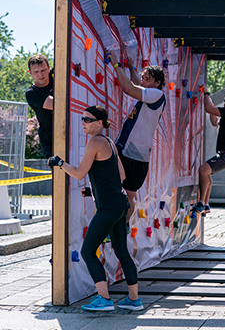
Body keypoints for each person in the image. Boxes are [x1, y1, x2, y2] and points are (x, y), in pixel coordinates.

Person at [47, 106, 142, 312]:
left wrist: (60, 162)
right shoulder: (108, 142)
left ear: (100, 122)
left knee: (88, 250)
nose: (83, 123)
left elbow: (80, 173)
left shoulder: (95, 142)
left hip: (108, 207)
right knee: (121, 252)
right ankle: (134, 299)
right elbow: (121, 175)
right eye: (82, 119)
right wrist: (94, 192)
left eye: (88, 120)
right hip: (119, 204)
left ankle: (104, 298)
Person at [108, 51, 166, 224]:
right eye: (144, 77)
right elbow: (135, 82)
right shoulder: (148, 90)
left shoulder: (157, 94)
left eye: (148, 79)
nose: (143, 80)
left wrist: (116, 65)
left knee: (129, 196)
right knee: (118, 191)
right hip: (125, 147)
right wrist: (133, 67)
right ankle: (117, 225)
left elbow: (128, 87)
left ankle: (123, 226)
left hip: (136, 154)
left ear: (157, 83)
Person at [192, 92, 225, 215]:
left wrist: (206, 94)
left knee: (203, 170)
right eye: (224, 101)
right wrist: (211, 103)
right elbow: (214, 121)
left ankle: (201, 203)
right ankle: (207, 204)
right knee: (207, 175)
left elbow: (208, 109)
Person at [25, 54, 54, 158]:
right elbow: (58, 105)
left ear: (49, 68)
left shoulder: (55, 76)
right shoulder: (32, 93)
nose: (40, 74)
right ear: (30, 73)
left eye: (43, 70)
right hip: (51, 140)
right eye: (36, 72)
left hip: (70, 131)